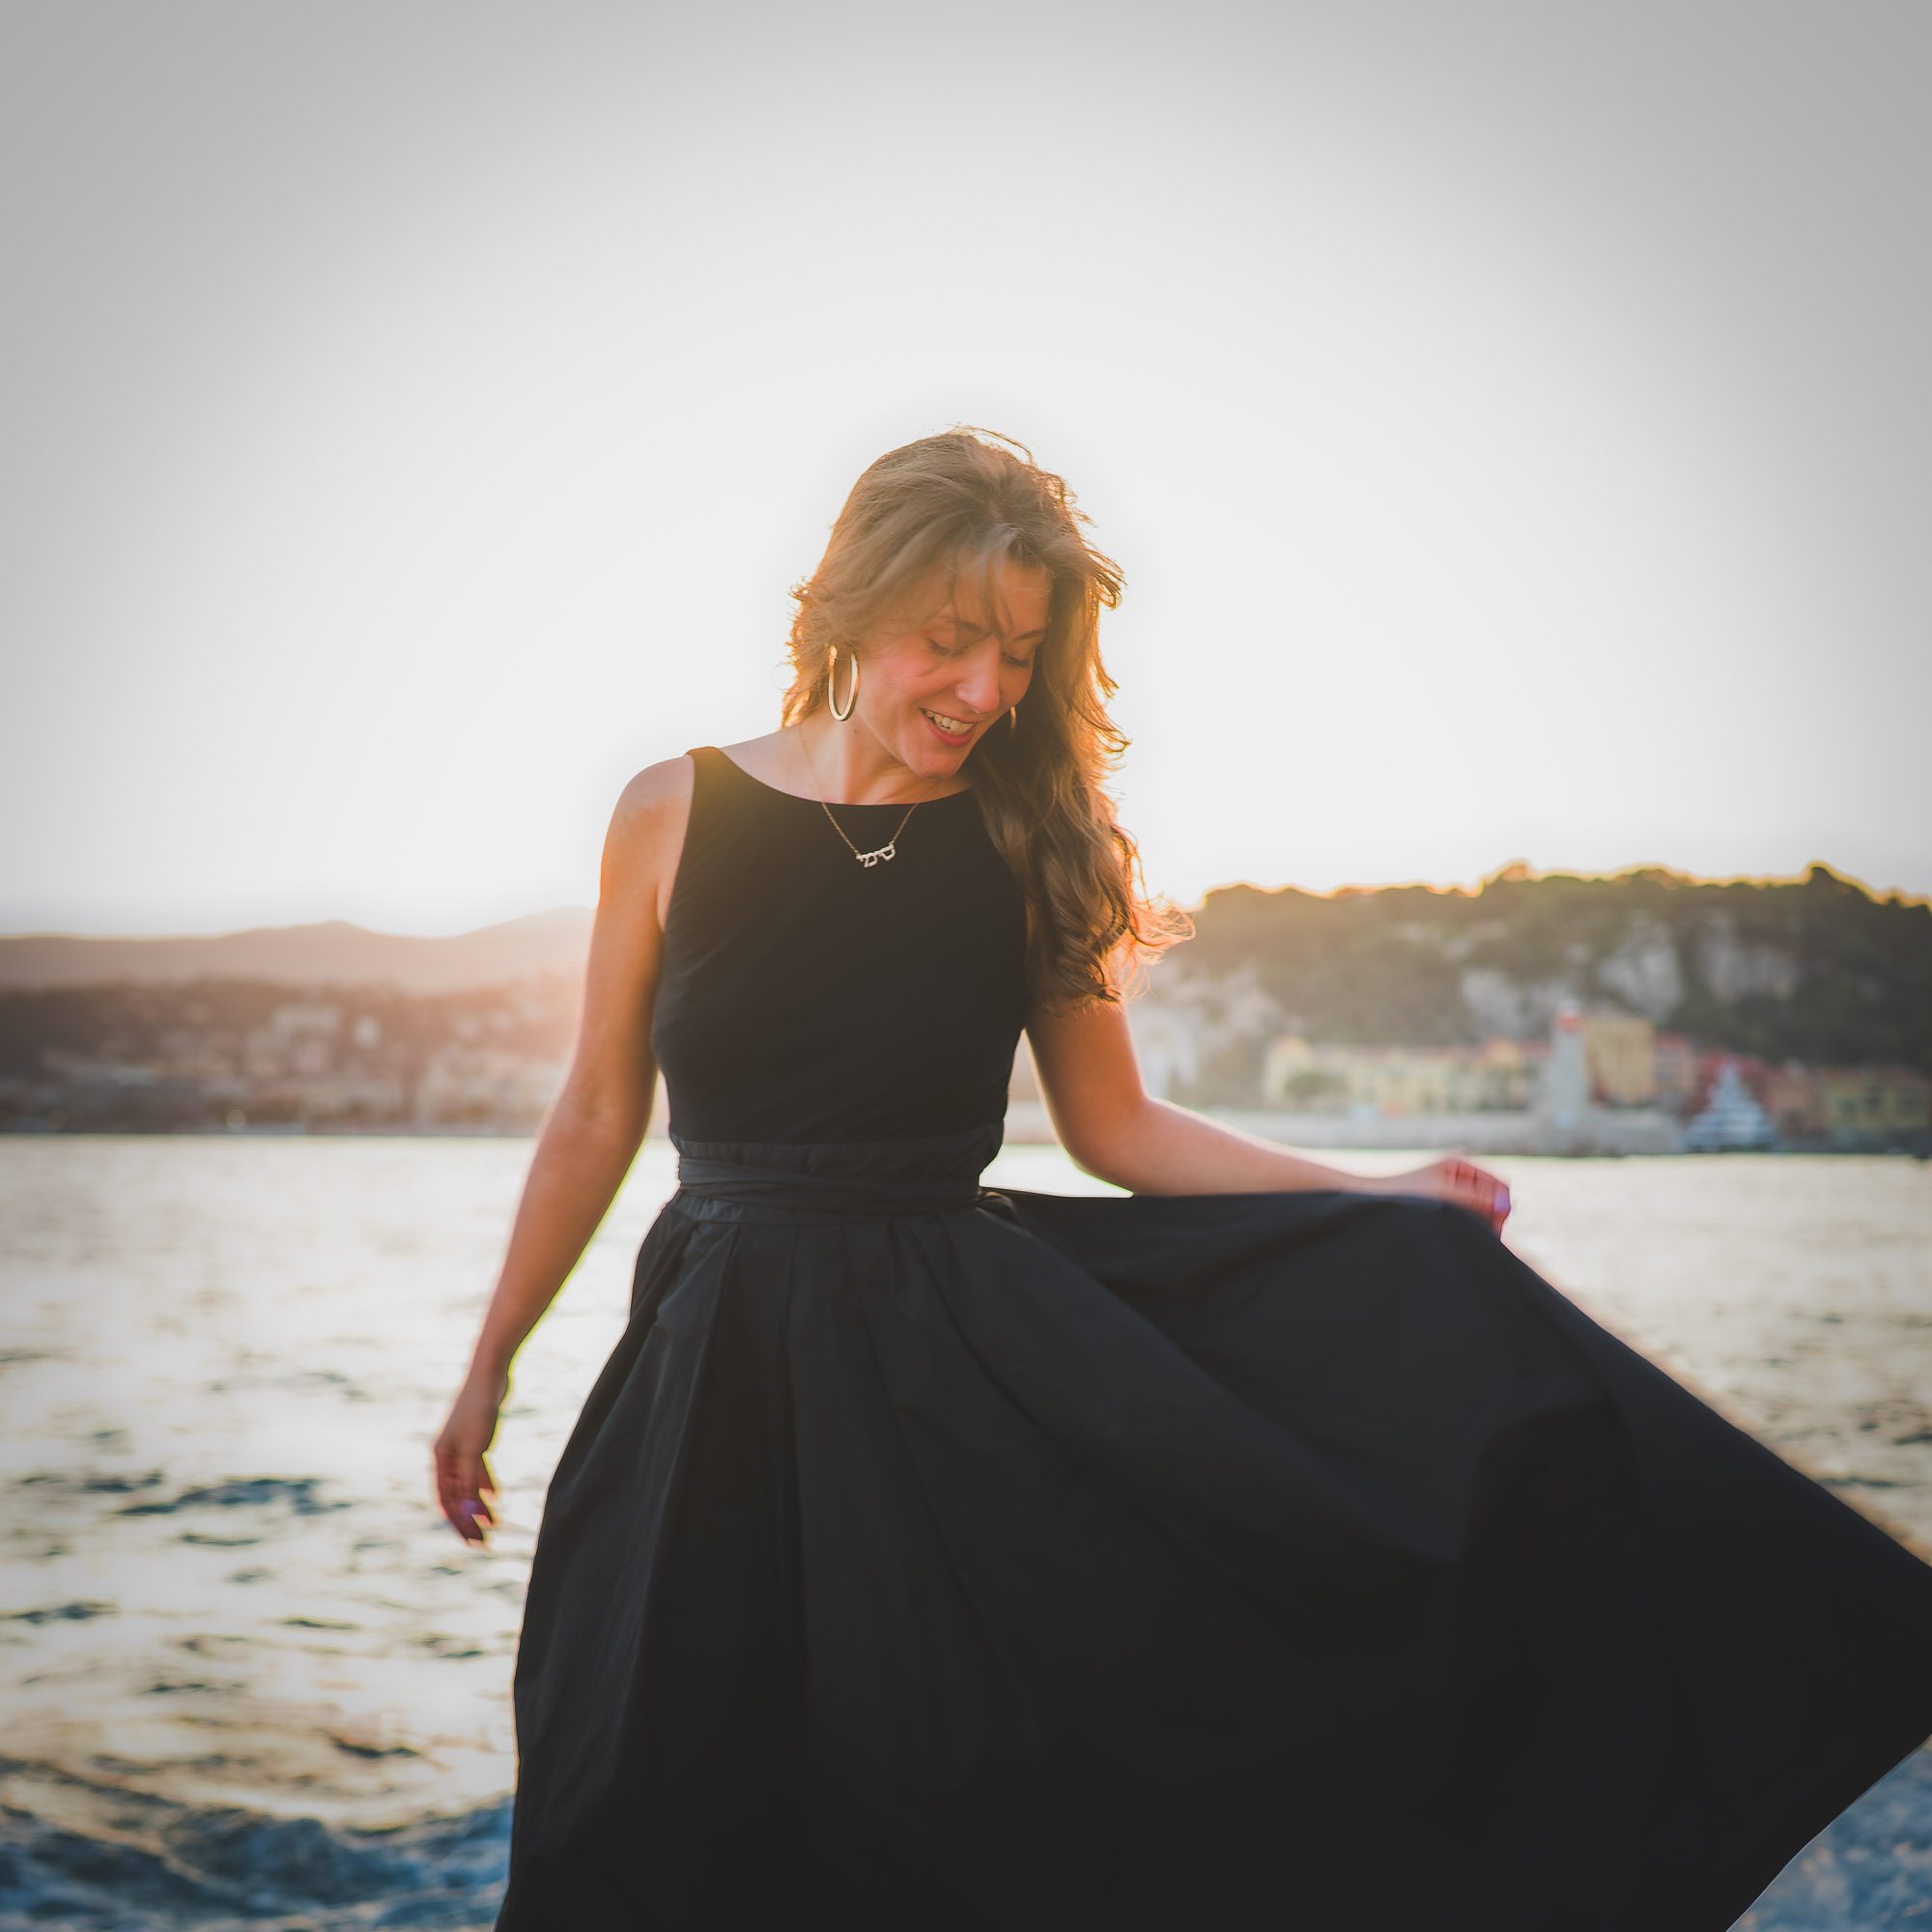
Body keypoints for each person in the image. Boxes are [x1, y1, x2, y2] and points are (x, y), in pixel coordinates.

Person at [439, 427, 1932, 1930]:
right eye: (949, 643)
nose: (984, 693)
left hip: (942, 1398)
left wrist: (1378, 1196)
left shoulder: (1026, 842)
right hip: (711, 1378)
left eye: (1020, 655)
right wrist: (488, 1367)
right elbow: (593, 1111)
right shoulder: (670, 810)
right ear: (845, 607)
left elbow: (1119, 1130)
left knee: (943, 1818)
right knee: (636, 1804)